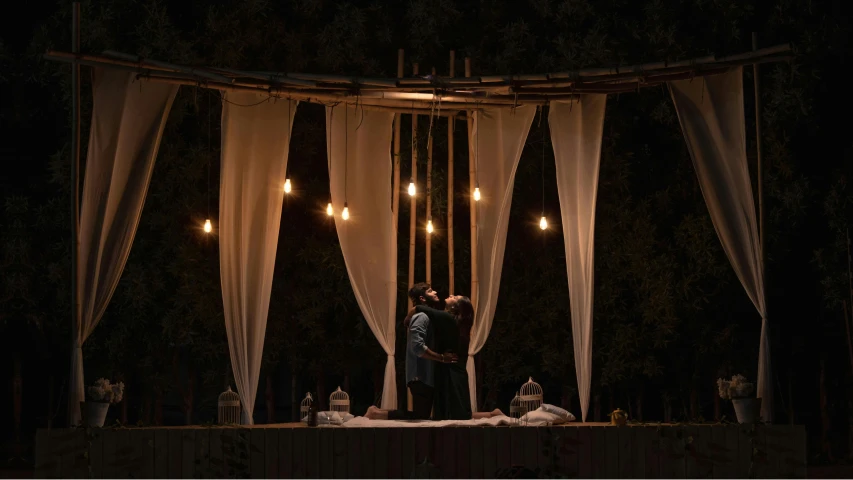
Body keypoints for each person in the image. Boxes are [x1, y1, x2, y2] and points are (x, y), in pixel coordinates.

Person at [365, 283, 457, 420]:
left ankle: (378, 413)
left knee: (423, 416)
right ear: (422, 298)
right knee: (420, 416)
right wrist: (442, 358)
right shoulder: (421, 317)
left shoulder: (426, 316)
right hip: (420, 375)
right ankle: (377, 413)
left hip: (425, 374)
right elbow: (417, 347)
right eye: (431, 291)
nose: (435, 292)